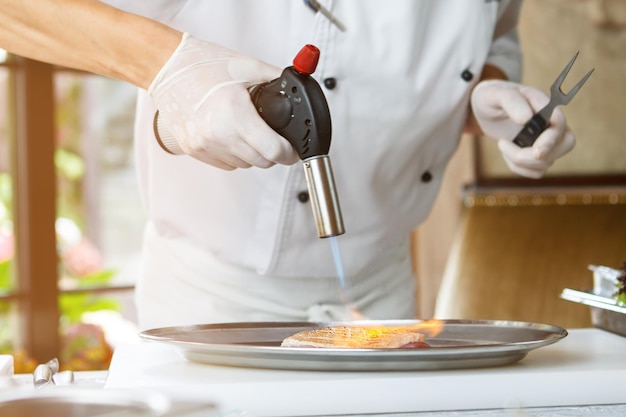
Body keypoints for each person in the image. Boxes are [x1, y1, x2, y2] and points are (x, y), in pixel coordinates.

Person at [0, 0, 574, 330]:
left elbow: (491, 37)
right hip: (216, 300)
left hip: (383, 292)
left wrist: (482, 96)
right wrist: (169, 66)